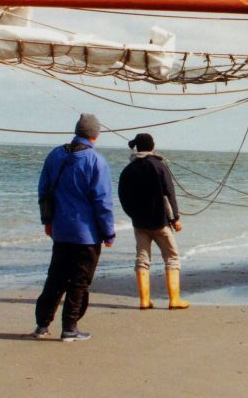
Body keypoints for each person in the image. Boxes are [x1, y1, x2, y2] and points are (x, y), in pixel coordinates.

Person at [33, 113, 116, 342]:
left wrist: (47, 221)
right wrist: (108, 232)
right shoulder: (96, 161)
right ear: (95, 135)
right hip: (86, 234)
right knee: (80, 281)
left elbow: (43, 190)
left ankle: (42, 324)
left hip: (60, 229)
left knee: (55, 278)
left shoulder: (56, 154)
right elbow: (103, 201)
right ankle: (70, 327)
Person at [118, 132, 189, 310]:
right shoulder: (159, 166)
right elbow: (169, 194)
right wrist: (175, 219)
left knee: (142, 259)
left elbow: (123, 197)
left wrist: (133, 215)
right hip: (160, 221)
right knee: (172, 258)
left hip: (139, 222)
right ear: (152, 147)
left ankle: (144, 300)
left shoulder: (128, 169)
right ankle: (174, 299)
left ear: (137, 148)